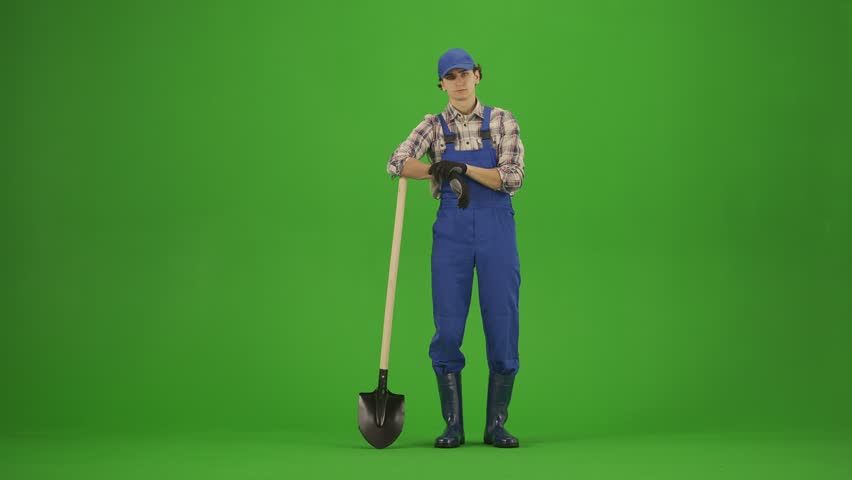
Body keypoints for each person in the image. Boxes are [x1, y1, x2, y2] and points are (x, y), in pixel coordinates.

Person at [386, 48, 525, 448]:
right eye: (451, 77)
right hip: (452, 232)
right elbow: (396, 163)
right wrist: (435, 168)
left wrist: (463, 169)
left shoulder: (502, 120)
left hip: (497, 228)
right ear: (442, 84)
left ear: (478, 75)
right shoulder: (432, 125)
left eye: (465, 74)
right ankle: (453, 425)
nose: (459, 82)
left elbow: (512, 178)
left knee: (502, 318)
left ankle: (496, 424)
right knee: (448, 324)